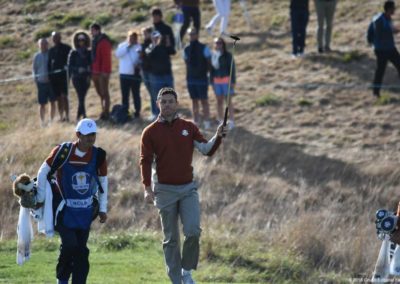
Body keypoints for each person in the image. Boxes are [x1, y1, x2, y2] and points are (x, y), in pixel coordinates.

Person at [139, 87, 227, 284]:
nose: (167, 105)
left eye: (171, 101)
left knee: (193, 231)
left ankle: (186, 271)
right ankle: (177, 279)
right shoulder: (150, 132)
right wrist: (146, 188)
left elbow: (206, 149)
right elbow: (145, 161)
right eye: (164, 102)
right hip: (164, 190)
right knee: (171, 239)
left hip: (188, 189)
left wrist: (218, 135)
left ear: (176, 104)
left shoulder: (189, 127)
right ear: (158, 105)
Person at [36, 118, 108, 284]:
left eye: (93, 135)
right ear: (78, 135)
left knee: (81, 251)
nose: (91, 138)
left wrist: (103, 209)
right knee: (70, 245)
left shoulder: (99, 155)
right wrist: (40, 197)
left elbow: (103, 183)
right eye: (87, 135)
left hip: (85, 212)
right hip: (63, 210)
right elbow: (42, 172)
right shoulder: (62, 151)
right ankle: (62, 280)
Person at [368, 0, 400, 98]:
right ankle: (375, 92)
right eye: (393, 8)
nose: (395, 10)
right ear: (389, 9)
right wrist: (393, 30)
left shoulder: (387, 18)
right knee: (380, 71)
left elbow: (390, 30)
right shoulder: (379, 20)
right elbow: (381, 33)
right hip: (381, 50)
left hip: (390, 48)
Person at [183, 27, 211, 129]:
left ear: (197, 35)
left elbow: (209, 62)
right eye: (190, 34)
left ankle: (207, 120)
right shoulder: (186, 49)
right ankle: (196, 121)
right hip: (191, 78)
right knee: (194, 100)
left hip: (202, 78)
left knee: (204, 100)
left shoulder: (204, 47)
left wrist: (204, 73)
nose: (192, 36)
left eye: (193, 34)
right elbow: (186, 62)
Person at [145, 30, 174, 121]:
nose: (156, 38)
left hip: (167, 75)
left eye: (158, 37)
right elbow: (149, 54)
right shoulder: (149, 47)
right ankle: (159, 117)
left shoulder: (164, 46)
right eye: (154, 37)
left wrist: (168, 41)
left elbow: (172, 51)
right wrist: (154, 43)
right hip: (156, 76)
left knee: (170, 96)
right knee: (158, 97)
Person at [115, 30, 142, 119]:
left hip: (135, 75)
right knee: (125, 95)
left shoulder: (139, 47)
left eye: (134, 38)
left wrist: (139, 64)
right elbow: (118, 54)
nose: (132, 39)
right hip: (124, 75)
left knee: (136, 94)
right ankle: (125, 112)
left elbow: (142, 58)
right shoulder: (122, 46)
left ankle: (137, 112)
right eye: (130, 37)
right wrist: (128, 47)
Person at [210, 37, 236, 129]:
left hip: (226, 81)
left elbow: (232, 68)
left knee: (228, 101)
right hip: (216, 81)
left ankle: (231, 120)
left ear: (223, 44)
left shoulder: (228, 55)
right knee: (219, 101)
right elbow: (211, 70)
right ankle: (220, 120)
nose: (218, 45)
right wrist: (211, 82)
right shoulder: (213, 56)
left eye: (220, 43)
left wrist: (232, 81)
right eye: (216, 43)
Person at [48, 31, 72, 122]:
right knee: (58, 97)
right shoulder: (51, 50)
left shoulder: (67, 48)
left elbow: (71, 61)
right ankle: (61, 116)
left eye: (57, 37)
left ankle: (67, 115)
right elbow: (49, 64)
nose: (55, 39)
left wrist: (69, 72)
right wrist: (49, 76)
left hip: (64, 76)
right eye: (53, 38)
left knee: (64, 96)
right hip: (54, 78)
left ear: (60, 38)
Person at [68, 31, 92, 121]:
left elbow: (91, 63)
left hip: (86, 77)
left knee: (83, 96)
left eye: (83, 40)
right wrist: (78, 69)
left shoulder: (89, 52)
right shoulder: (73, 53)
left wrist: (89, 72)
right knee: (80, 96)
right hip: (77, 78)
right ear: (76, 41)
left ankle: (79, 115)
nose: (81, 42)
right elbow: (70, 65)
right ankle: (84, 115)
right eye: (79, 40)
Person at [33, 38, 56, 127]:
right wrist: (36, 80)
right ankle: (42, 122)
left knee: (53, 102)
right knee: (42, 103)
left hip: (51, 82)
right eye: (41, 44)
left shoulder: (51, 54)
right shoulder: (37, 56)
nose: (43, 45)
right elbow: (34, 69)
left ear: (47, 45)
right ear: (39, 45)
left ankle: (51, 121)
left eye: (45, 44)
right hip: (41, 83)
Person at [90, 23, 112, 120]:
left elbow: (106, 58)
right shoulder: (95, 41)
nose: (91, 32)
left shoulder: (103, 41)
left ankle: (106, 112)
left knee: (104, 92)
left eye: (93, 30)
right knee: (100, 93)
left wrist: (104, 71)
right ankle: (103, 110)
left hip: (102, 72)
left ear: (98, 30)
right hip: (95, 71)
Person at [140, 26, 158, 119]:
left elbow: (149, 54)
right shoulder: (143, 44)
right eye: (143, 33)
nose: (144, 35)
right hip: (144, 70)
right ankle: (154, 112)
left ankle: (157, 113)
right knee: (151, 93)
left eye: (145, 33)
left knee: (155, 93)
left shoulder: (153, 44)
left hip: (152, 71)